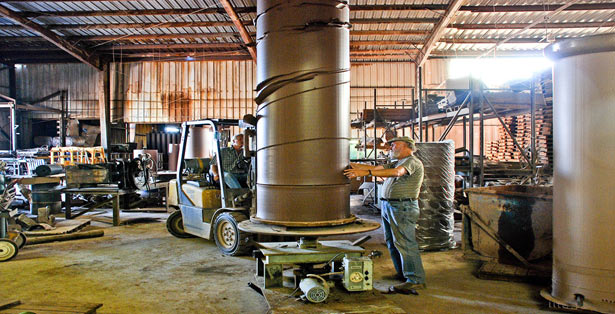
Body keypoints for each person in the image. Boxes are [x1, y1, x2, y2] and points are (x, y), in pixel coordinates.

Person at [343, 136, 425, 295]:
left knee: (405, 243)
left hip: (402, 206)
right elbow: (379, 168)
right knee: (392, 242)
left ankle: (416, 280)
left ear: (407, 146)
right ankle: (403, 274)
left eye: (394, 144)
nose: (391, 147)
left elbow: (396, 173)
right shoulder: (397, 161)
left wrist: (365, 172)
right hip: (390, 205)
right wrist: (348, 164)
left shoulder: (411, 162)